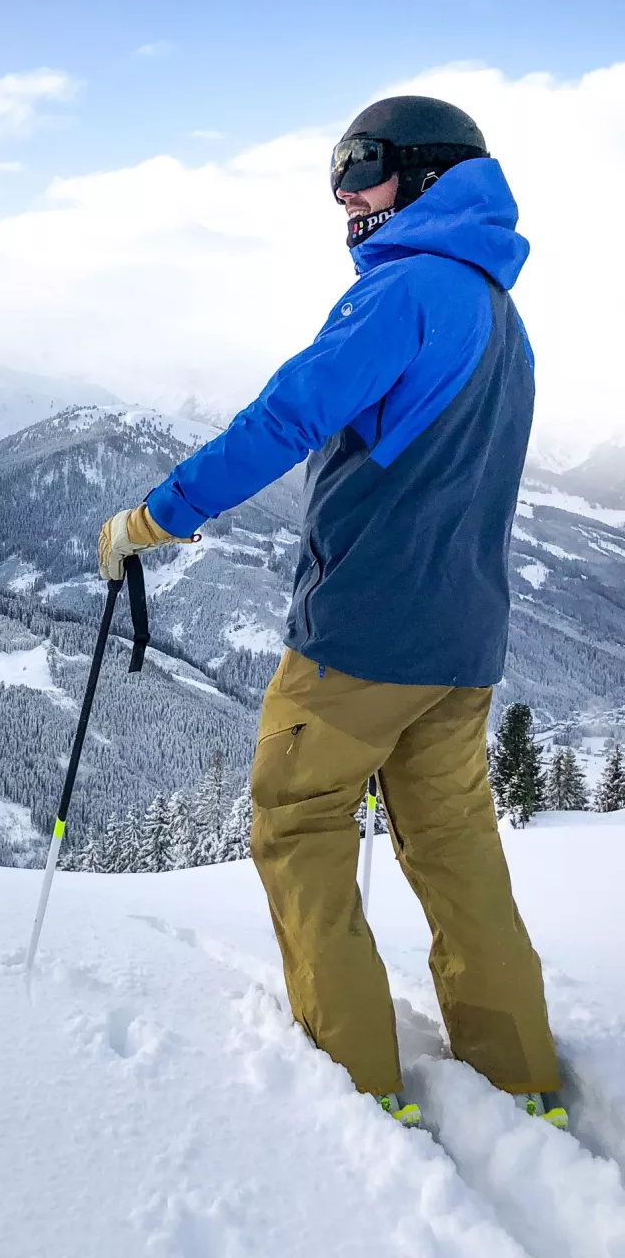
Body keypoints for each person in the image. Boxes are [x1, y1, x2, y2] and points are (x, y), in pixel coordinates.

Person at [99, 95, 566, 1130]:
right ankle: (521, 1075)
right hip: (464, 643)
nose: (344, 197)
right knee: (456, 850)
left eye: (362, 167)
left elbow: (286, 415)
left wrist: (152, 517)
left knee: (299, 822)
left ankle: (357, 1089)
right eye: (336, 175)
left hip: (361, 639)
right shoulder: (500, 313)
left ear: (431, 176)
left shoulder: (403, 293)